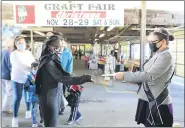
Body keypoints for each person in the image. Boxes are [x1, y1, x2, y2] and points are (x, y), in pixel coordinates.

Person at [114, 28, 175, 127]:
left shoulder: (166, 56)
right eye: (149, 42)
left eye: (152, 42)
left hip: (158, 101)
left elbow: (149, 75)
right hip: (149, 98)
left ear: (163, 42)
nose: (150, 44)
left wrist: (125, 75)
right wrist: (136, 80)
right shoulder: (158, 54)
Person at [35, 35, 93, 127]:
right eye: (57, 47)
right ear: (49, 47)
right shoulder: (49, 62)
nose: (59, 50)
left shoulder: (52, 59)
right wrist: (83, 78)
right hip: (49, 98)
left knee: (52, 122)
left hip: (53, 95)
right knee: (51, 124)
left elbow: (64, 74)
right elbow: (62, 78)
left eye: (60, 48)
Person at [10, 36, 35, 127]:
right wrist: (31, 68)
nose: (22, 45)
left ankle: (28, 111)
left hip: (28, 77)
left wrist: (34, 68)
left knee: (28, 96)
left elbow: (32, 62)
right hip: (17, 79)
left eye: (23, 43)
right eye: (19, 43)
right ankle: (15, 118)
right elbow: (20, 64)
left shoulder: (28, 53)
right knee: (17, 98)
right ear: (16, 44)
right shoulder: (14, 54)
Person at [58, 37, 73, 115]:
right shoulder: (55, 51)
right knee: (55, 92)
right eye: (60, 42)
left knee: (63, 92)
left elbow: (69, 66)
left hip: (64, 76)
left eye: (63, 42)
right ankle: (56, 107)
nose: (62, 44)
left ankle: (62, 108)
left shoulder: (68, 53)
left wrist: (68, 76)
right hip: (54, 76)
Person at [24, 62, 41, 127]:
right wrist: (36, 87)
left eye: (36, 69)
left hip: (40, 96)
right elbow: (26, 87)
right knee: (34, 110)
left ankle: (42, 121)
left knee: (41, 110)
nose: (35, 70)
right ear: (31, 69)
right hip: (33, 97)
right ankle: (34, 123)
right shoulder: (29, 77)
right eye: (34, 69)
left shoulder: (40, 76)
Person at [1, 39, 14, 114]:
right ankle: (5, 108)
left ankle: (5, 106)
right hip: (7, 75)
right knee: (9, 92)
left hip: (1, 75)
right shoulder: (8, 53)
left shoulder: (1, 51)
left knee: (4, 92)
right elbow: (10, 65)